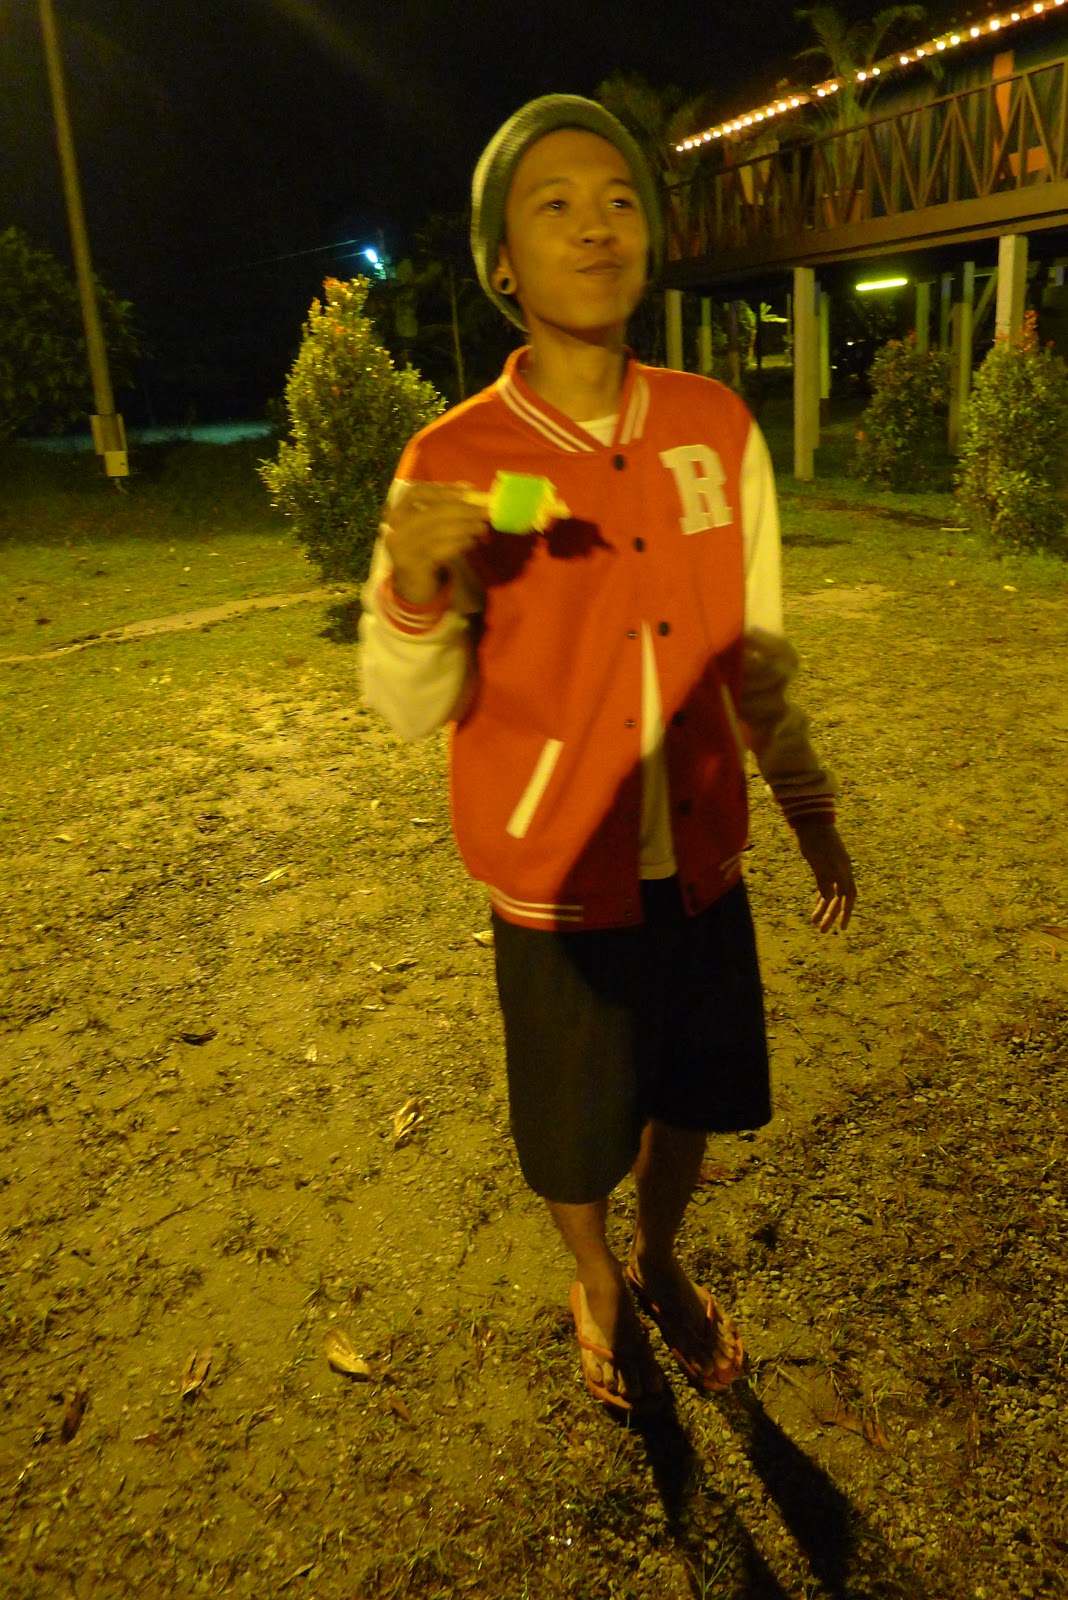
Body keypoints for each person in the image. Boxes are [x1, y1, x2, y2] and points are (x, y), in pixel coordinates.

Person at [359, 95, 856, 1417]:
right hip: (555, 880)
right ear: (502, 263)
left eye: (620, 200)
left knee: (692, 1093)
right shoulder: (458, 461)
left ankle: (661, 1257)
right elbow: (404, 701)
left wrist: (806, 807)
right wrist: (412, 590)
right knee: (572, 1132)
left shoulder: (714, 429)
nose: (597, 227)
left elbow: (757, 649)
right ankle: (594, 1274)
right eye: (555, 205)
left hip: (700, 855)